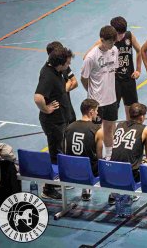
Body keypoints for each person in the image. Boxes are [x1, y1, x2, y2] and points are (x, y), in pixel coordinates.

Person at [34, 46, 74, 200]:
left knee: (59, 151)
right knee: (55, 154)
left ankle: (57, 181)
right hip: (53, 122)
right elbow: (38, 97)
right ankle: (49, 188)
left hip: (61, 119)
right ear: (60, 63)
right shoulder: (48, 76)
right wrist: (47, 109)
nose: (68, 65)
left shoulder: (56, 70)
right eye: (67, 63)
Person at [84, 17, 142, 121]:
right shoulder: (104, 42)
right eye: (119, 34)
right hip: (114, 80)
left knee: (132, 110)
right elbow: (87, 57)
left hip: (129, 78)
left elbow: (139, 50)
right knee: (113, 109)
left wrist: (138, 70)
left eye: (123, 33)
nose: (121, 36)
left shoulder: (129, 36)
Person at [81, 25, 119, 159]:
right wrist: (91, 92)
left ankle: (109, 156)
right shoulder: (91, 57)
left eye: (114, 42)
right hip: (97, 102)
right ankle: (96, 158)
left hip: (111, 99)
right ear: (102, 40)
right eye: (110, 42)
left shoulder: (114, 50)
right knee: (96, 132)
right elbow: (84, 78)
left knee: (109, 129)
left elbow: (113, 70)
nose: (112, 44)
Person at [109, 103, 147, 204]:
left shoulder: (119, 125)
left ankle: (113, 193)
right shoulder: (146, 129)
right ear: (141, 117)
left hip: (112, 171)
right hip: (130, 173)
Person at [63, 99, 103, 201]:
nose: (97, 113)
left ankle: (85, 189)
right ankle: (113, 195)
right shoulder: (97, 129)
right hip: (89, 171)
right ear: (91, 112)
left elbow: (65, 151)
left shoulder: (69, 127)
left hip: (70, 170)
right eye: (96, 110)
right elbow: (100, 157)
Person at [46, 41, 78, 123]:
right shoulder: (48, 73)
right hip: (58, 114)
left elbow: (74, 82)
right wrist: (66, 86)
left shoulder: (64, 65)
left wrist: (63, 90)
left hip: (68, 107)